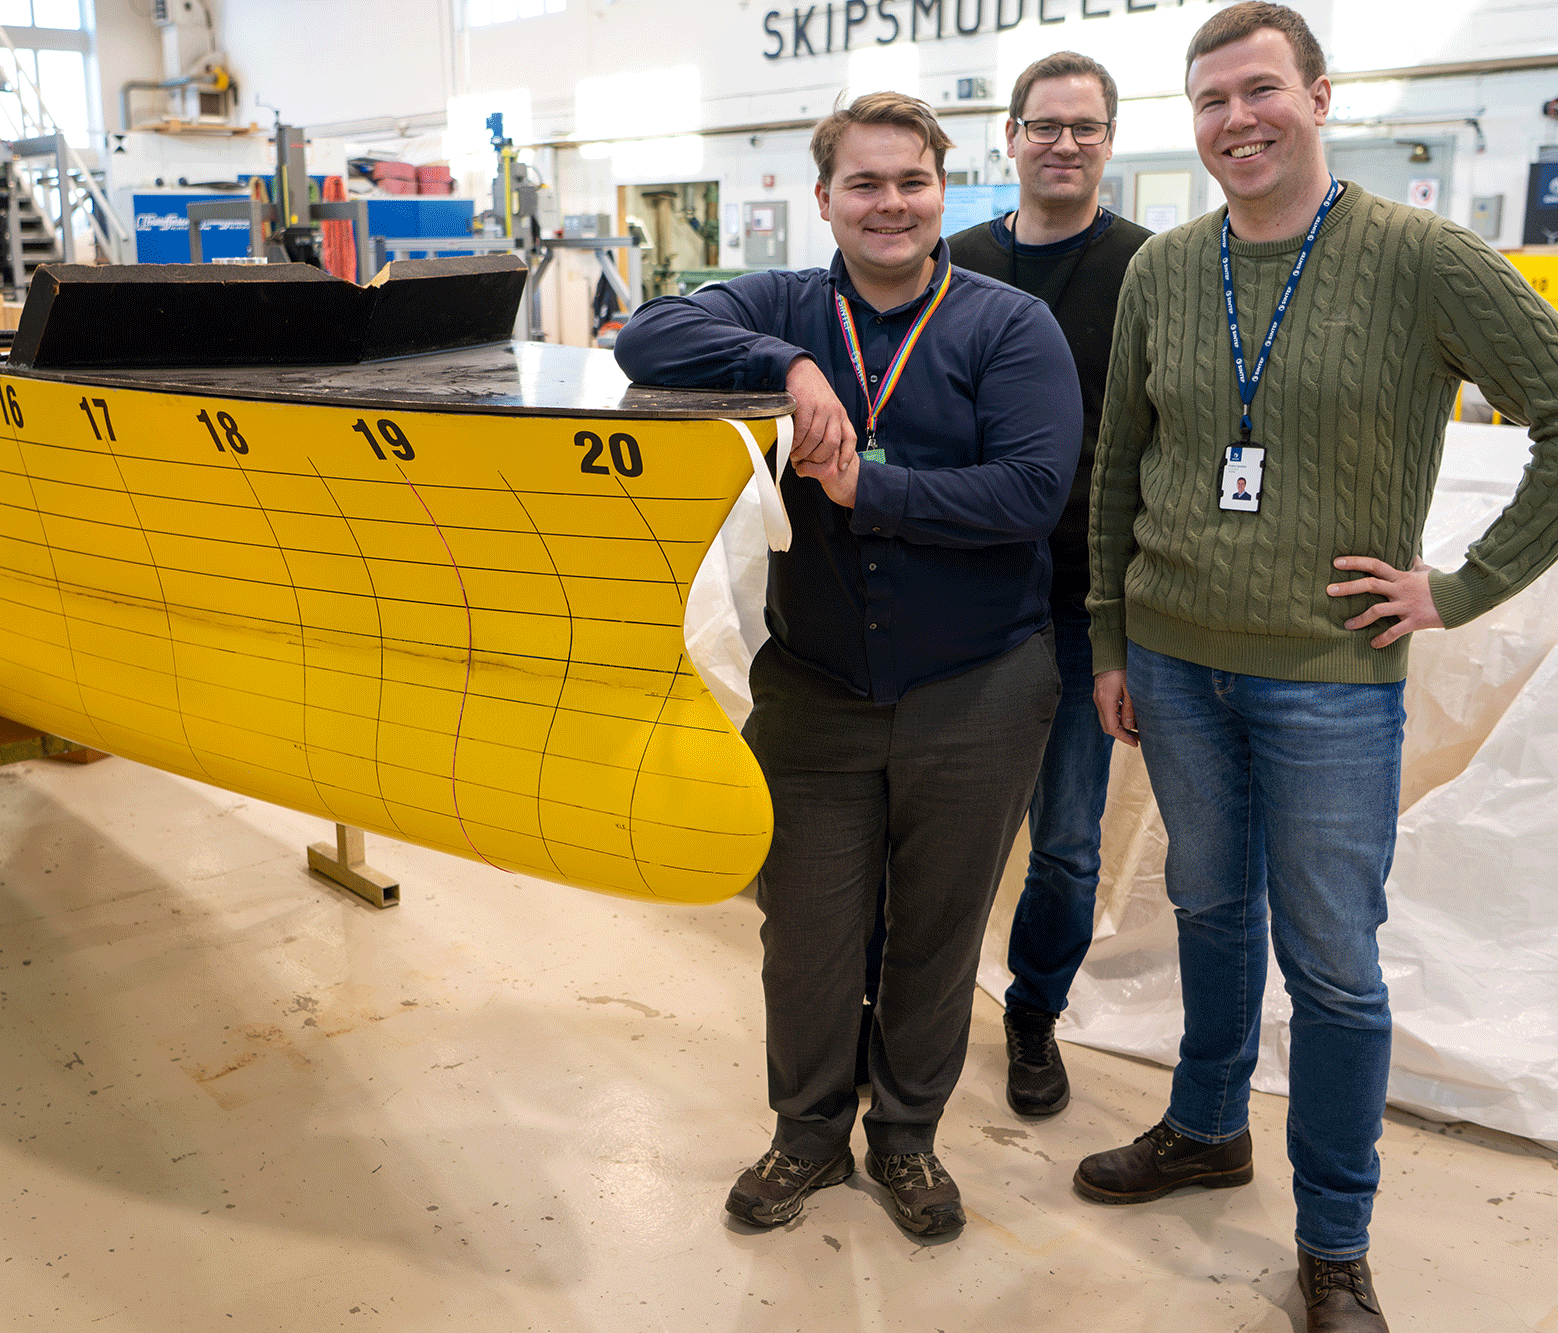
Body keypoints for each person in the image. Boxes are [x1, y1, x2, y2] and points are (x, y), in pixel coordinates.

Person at [1079, 5, 1558, 1329]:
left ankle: (1334, 1242)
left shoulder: (1421, 260)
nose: (1237, 118)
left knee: (1336, 964)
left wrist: (1462, 585)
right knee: (1209, 909)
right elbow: (1121, 462)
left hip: (1330, 681)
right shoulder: (1163, 269)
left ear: (1319, 96)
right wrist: (1112, 639)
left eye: (1260, 90)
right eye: (1211, 99)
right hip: (1175, 663)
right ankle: (1204, 1126)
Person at [615, 92, 1079, 1236]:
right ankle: (807, 1136)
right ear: (822, 200)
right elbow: (642, 337)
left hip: (976, 685)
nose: (888, 204)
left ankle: (906, 1140)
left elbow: (1029, 492)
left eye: (909, 182)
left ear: (941, 191)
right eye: (863, 184)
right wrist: (785, 365)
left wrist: (872, 488)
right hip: (814, 687)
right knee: (808, 932)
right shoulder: (778, 304)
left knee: (935, 929)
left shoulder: (1006, 326)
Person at [943, 51, 1152, 1119]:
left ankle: (1032, 1013)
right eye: (1043, 124)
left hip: (1079, 607)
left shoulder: (1147, 269)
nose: (1061, 142)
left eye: (1082, 125)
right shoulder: (954, 261)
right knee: (941, 829)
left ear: (1106, 140)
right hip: (962, 601)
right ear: (1011, 138)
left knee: (1066, 845)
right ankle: (913, 1010)